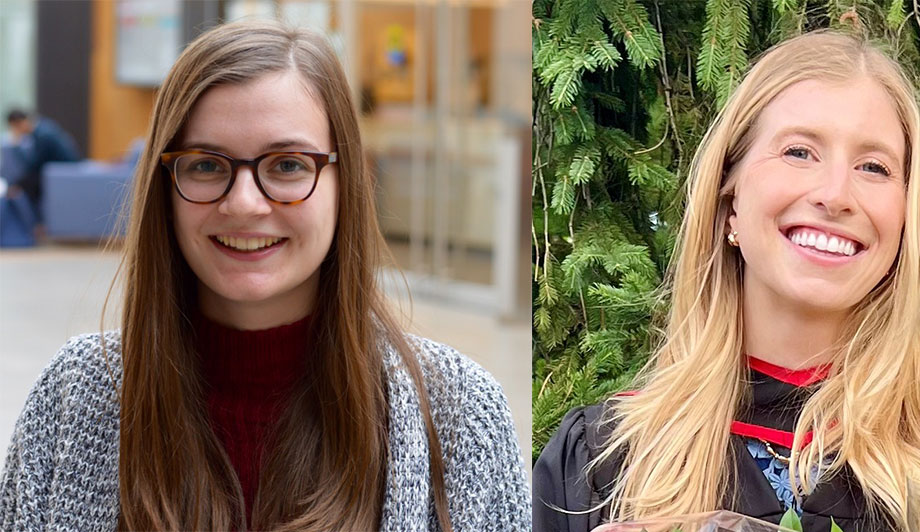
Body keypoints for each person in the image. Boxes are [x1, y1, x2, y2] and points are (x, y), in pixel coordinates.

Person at [0, 20, 530, 530]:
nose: (246, 203)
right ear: (164, 187)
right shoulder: (71, 398)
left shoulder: (462, 416)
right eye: (206, 165)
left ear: (348, 181)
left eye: (288, 165)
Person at [534, 31, 920, 532]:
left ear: (906, 218)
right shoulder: (602, 462)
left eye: (873, 167)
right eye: (799, 152)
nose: (836, 194)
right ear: (730, 201)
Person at [3, 109, 83, 222]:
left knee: (25, 185)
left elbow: (32, 165)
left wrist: (16, 146)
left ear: (20, 123)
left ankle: (35, 223)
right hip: (59, 170)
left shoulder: (43, 136)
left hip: (64, 171)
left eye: (15, 128)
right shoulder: (43, 127)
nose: (17, 131)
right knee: (25, 182)